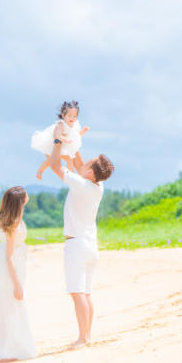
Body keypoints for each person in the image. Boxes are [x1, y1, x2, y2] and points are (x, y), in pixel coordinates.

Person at [48, 124, 114, 349]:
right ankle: (87, 335)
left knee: (78, 294)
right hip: (90, 246)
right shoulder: (98, 186)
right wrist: (73, 138)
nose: (84, 162)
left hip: (76, 246)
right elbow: (79, 163)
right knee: (85, 294)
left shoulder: (81, 184)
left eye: (89, 163)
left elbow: (55, 165)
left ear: (91, 173)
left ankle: (83, 338)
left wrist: (57, 140)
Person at [0, 186, 36, 362]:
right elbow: (9, 257)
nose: (28, 194)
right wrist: (17, 284)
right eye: (25, 194)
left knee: (6, 307)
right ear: (21, 200)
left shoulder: (14, 217)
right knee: (8, 306)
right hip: (8, 267)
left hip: (10, 264)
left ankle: (2, 349)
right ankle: (3, 351)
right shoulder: (14, 222)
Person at [31, 100, 90, 180]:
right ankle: (40, 171)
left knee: (70, 159)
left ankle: (71, 176)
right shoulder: (61, 124)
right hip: (52, 144)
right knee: (50, 160)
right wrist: (65, 140)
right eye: (69, 116)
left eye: (74, 116)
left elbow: (75, 136)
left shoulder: (74, 124)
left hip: (64, 145)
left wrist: (83, 131)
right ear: (63, 115)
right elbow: (57, 136)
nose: (72, 118)